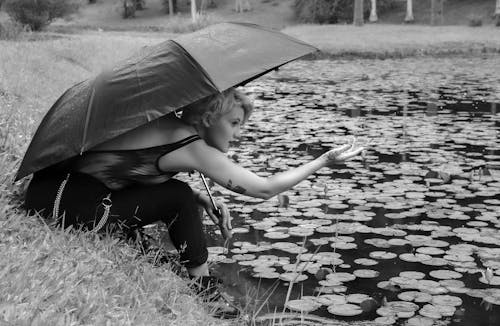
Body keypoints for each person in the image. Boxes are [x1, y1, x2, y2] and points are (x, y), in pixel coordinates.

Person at [24, 87, 364, 295]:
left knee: (184, 194)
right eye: (234, 123)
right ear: (207, 118)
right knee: (178, 197)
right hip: (64, 202)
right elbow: (262, 190)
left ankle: (185, 270)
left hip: (53, 193)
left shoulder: (175, 129)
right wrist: (322, 161)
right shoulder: (190, 144)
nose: (239, 133)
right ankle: (203, 289)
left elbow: (135, 171)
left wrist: (202, 197)